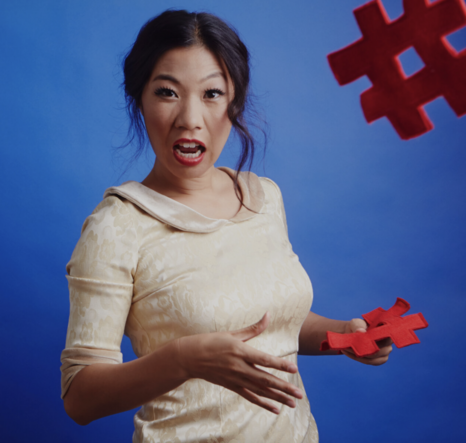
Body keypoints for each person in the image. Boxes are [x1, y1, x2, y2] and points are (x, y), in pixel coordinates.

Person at [60, 9, 392, 442]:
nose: (190, 118)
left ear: (234, 103)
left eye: (212, 93)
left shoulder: (264, 197)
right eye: (167, 92)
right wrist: (184, 359)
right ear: (139, 99)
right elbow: (80, 398)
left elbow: (272, 319)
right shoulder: (116, 228)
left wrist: (341, 335)